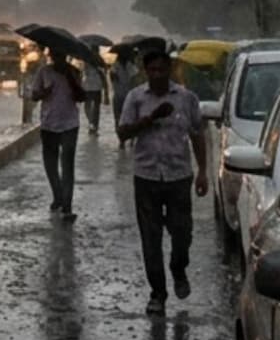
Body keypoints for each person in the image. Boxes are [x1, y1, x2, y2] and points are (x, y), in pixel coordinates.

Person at [117, 47, 208, 316]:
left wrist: (202, 171)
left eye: (161, 69)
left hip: (179, 177)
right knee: (151, 238)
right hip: (146, 178)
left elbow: (197, 135)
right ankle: (158, 293)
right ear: (146, 72)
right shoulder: (135, 98)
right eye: (152, 70)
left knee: (182, 233)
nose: (157, 75)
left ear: (169, 70)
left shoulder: (186, 98)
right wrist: (150, 118)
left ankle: (179, 268)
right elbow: (122, 133)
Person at [30, 48, 86, 222]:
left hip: (70, 124)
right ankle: (58, 195)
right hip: (49, 123)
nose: (58, 58)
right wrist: (44, 93)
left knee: (67, 165)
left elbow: (81, 97)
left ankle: (67, 206)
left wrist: (70, 78)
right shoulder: (43, 72)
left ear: (66, 55)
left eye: (62, 55)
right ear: (52, 56)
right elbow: (34, 95)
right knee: (51, 164)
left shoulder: (75, 72)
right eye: (56, 55)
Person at [110, 48, 139, 149]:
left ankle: (130, 138)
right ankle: (122, 140)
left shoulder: (130, 66)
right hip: (119, 95)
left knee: (129, 118)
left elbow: (135, 79)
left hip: (128, 96)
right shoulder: (115, 66)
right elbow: (112, 76)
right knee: (118, 119)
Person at [80, 50, 107, 135]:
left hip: (91, 86)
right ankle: (93, 124)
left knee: (91, 107)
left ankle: (92, 124)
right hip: (92, 86)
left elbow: (104, 71)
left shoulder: (90, 58)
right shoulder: (94, 59)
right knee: (94, 108)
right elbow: (104, 71)